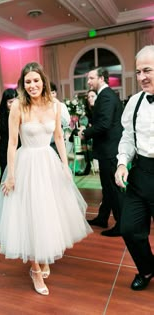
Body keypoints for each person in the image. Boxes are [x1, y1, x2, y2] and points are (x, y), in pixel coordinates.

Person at [0, 62, 92, 296]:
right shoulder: (18, 107)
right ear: (22, 85)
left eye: (36, 80)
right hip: (26, 163)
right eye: (28, 82)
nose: (32, 85)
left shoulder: (54, 105)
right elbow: (12, 143)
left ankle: (44, 256)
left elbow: (57, 136)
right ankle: (35, 268)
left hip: (48, 161)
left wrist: (65, 166)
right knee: (30, 216)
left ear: (43, 81)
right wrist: (11, 175)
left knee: (48, 212)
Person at [115, 45, 154, 290]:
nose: (142, 77)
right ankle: (147, 268)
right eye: (138, 72)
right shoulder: (134, 103)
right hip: (141, 173)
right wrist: (121, 162)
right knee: (129, 228)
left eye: (147, 70)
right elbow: (128, 137)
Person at [79, 67, 124, 236]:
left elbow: (104, 124)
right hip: (108, 148)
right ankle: (103, 217)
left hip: (109, 150)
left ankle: (121, 225)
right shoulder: (106, 95)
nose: (88, 81)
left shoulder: (105, 97)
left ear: (102, 78)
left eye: (91, 78)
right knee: (107, 188)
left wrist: (86, 133)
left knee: (113, 189)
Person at [49, 81, 70, 153]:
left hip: (59, 139)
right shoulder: (43, 108)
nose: (51, 95)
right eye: (49, 93)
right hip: (48, 142)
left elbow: (67, 122)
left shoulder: (61, 106)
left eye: (53, 93)